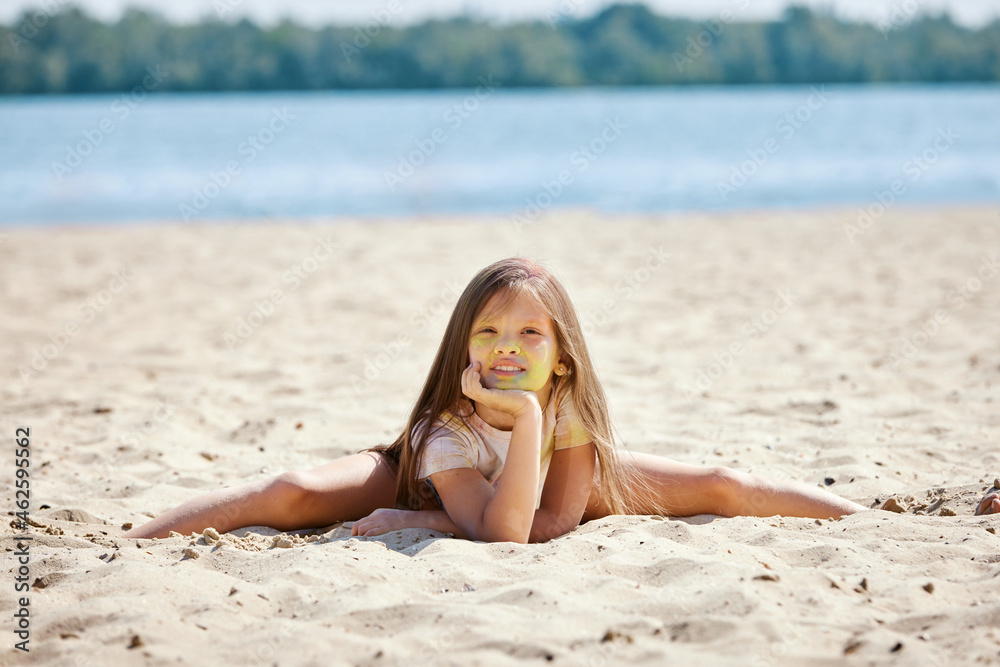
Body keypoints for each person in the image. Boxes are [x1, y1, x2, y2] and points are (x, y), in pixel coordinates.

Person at [122, 258, 999, 542]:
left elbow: (558, 520)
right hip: (439, 482)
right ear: (462, 348)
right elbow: (506, 538)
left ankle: (918, 526)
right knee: (293, 494)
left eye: (530, 338)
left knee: (726, 483)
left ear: (562, 354)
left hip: (545, 486)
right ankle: (130, 540)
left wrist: (542, 423)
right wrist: (425, 515)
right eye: (490, 337)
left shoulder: (568, 404)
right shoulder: (444, 432)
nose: (508, 352)